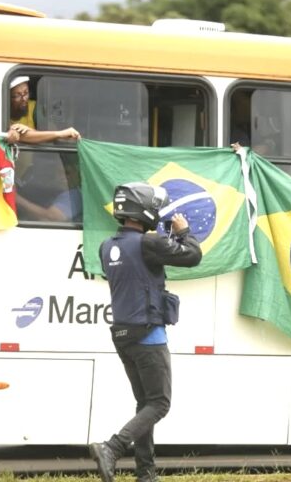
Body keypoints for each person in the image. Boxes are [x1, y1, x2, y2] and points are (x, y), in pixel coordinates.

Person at [89, 182, 202, 482]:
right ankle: (112, 448)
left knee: (145, 404)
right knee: (160, 403)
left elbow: (134, 270)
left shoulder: (106, 246)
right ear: (146, 211)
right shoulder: (148, 243)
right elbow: (193, 256)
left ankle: (146, 474)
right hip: (149, 336)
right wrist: (183, 232)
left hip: (122, 336)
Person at [7, 76, 80, 144]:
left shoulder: (34, 109)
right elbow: (21, 136)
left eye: (26, 93)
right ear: (7, 97)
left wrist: (30, 131)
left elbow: (51, 133)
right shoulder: (1, 111)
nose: (24, 99)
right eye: (17, 96)